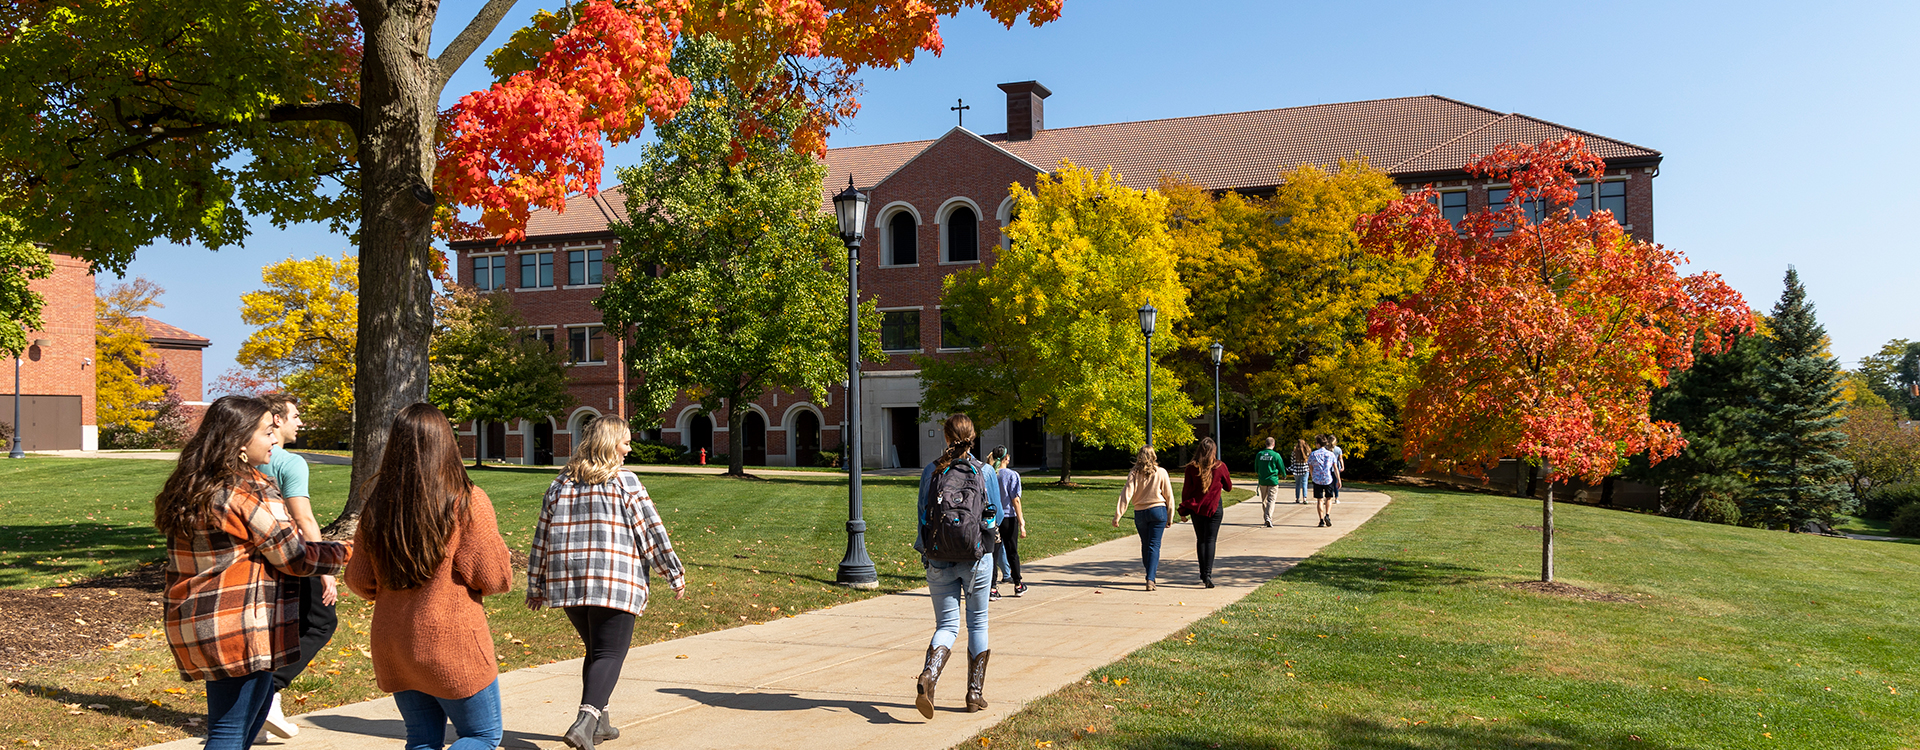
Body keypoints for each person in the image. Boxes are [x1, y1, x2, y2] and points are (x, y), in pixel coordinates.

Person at [154, 395, 350, 750]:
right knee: (230, 734)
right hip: (240, 627)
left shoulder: (192, 487)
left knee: (242, 727)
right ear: (238, 441)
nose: (274, 439)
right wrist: (352, 551)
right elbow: (294, 557)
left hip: (204, 623)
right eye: (266, 432)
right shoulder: (246, 491)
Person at [344, 404, 513, 750]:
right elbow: (493, 578)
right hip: (452, 645)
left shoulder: (378, 503)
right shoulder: (465, 501)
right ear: (447, 443)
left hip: (395, 643)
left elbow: (360, 581)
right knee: (482, 736)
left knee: (421, 739)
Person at [527, 415, 687, 750]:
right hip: (613, 581)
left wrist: (536, 585)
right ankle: (585, 723)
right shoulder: (624, 482)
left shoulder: (561, 484)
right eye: (625, 441)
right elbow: (652, 532)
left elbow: (541, 536)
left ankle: (601, 723)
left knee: (597, 651)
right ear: (609, 443)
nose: (629, 448)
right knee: (610, 653)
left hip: (569, 585)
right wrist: (672, 571)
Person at [912, 414, 1003, 720]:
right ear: (973, 438)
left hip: (939, 557)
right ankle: (974, 695)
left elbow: (924, 516)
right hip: (977, 558)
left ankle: (929, 676)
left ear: (946, 437)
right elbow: (998, 515)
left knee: (946, 626)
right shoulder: (985, 471)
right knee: (977, 623)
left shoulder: (932, 470)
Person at [257, 393, 334, 741]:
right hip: (291, 554)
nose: (299, 422)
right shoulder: (290, 462)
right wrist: (324, 569)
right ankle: (269, 692)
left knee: (272, 630)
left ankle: (257, 713)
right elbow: (304, 518)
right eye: (295, 416)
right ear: (276, 420)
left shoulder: (238, 460)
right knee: (320, 623)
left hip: (255, 558)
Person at [1112, 445, 1173, 591]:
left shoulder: (1134, 473)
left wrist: (1118, 516)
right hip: (1158, 511)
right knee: (1154, 545)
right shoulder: (1161, 472)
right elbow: (1169, 496)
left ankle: (1149, 574)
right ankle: (1150, 578)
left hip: (1140, 512)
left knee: (1146, 544)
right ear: (1154, 456)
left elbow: (1126, 494)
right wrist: (1170, 516)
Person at [1178, 438, 1233, 588]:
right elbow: (1228, 487)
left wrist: (1183, 511)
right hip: (1214, 507)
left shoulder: (1191, 468)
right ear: (1214, 450)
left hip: (1197, 509)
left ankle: (1203, 573)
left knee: (1201, 540)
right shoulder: (1220, 467)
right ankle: (1207, 574)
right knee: (1210, 540)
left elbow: (1186, 491)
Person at [985, 446, 1026, 600]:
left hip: (992, 518)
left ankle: (992, 587)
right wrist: (1021, 521)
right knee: (1012, 551)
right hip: (1008, 517)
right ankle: (1018, 584)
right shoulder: (1012, 475)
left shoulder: (989, 474)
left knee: (993, 553)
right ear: (1006, 458)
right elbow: (1015, 499)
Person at [1309, 434, 1341, 527]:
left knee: (1319, 500)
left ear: (1318, 444)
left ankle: (1321, 519)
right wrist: (1338, 479)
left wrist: (1312, 475)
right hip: (1328, 478)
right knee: (1329, 498)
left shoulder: (1313, 454)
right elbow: (1335, 468)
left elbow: (1310, 466)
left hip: (1317, 479)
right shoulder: (1330, 454)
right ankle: (1327, 514)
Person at [1252, 437, 1284, 527]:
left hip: (1262, 480)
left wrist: (1259, 473)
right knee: (1271, 499)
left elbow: (1256, 467)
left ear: (1265, 444)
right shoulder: (1276, 455)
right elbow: (1281, 466)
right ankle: (1268, 517)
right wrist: (1283, 474)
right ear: (1273, 444)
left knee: (1264, 500)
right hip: (1273, 480)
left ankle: (1266, 517)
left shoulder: (1259, 454)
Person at [1290, 439, 1312, 505]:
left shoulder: (1294, 452)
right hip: (1305, 470)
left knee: (1297, 484)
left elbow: (1292, 461)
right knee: (1305, 483)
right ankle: (1304, 498)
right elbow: (1310, 461)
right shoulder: (1307, 452)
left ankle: (1297, 498)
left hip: (1297, 470)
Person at [1329, 434, 1346, 503]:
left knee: (1329, 484)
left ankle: (1328, 496)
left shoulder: (1326, 448)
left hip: (1328, 468)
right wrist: (1342, 466)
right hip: (1336, 468)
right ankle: (1336, 498)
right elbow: (1340, 459)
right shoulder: (1338, 449)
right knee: (1336, 483)